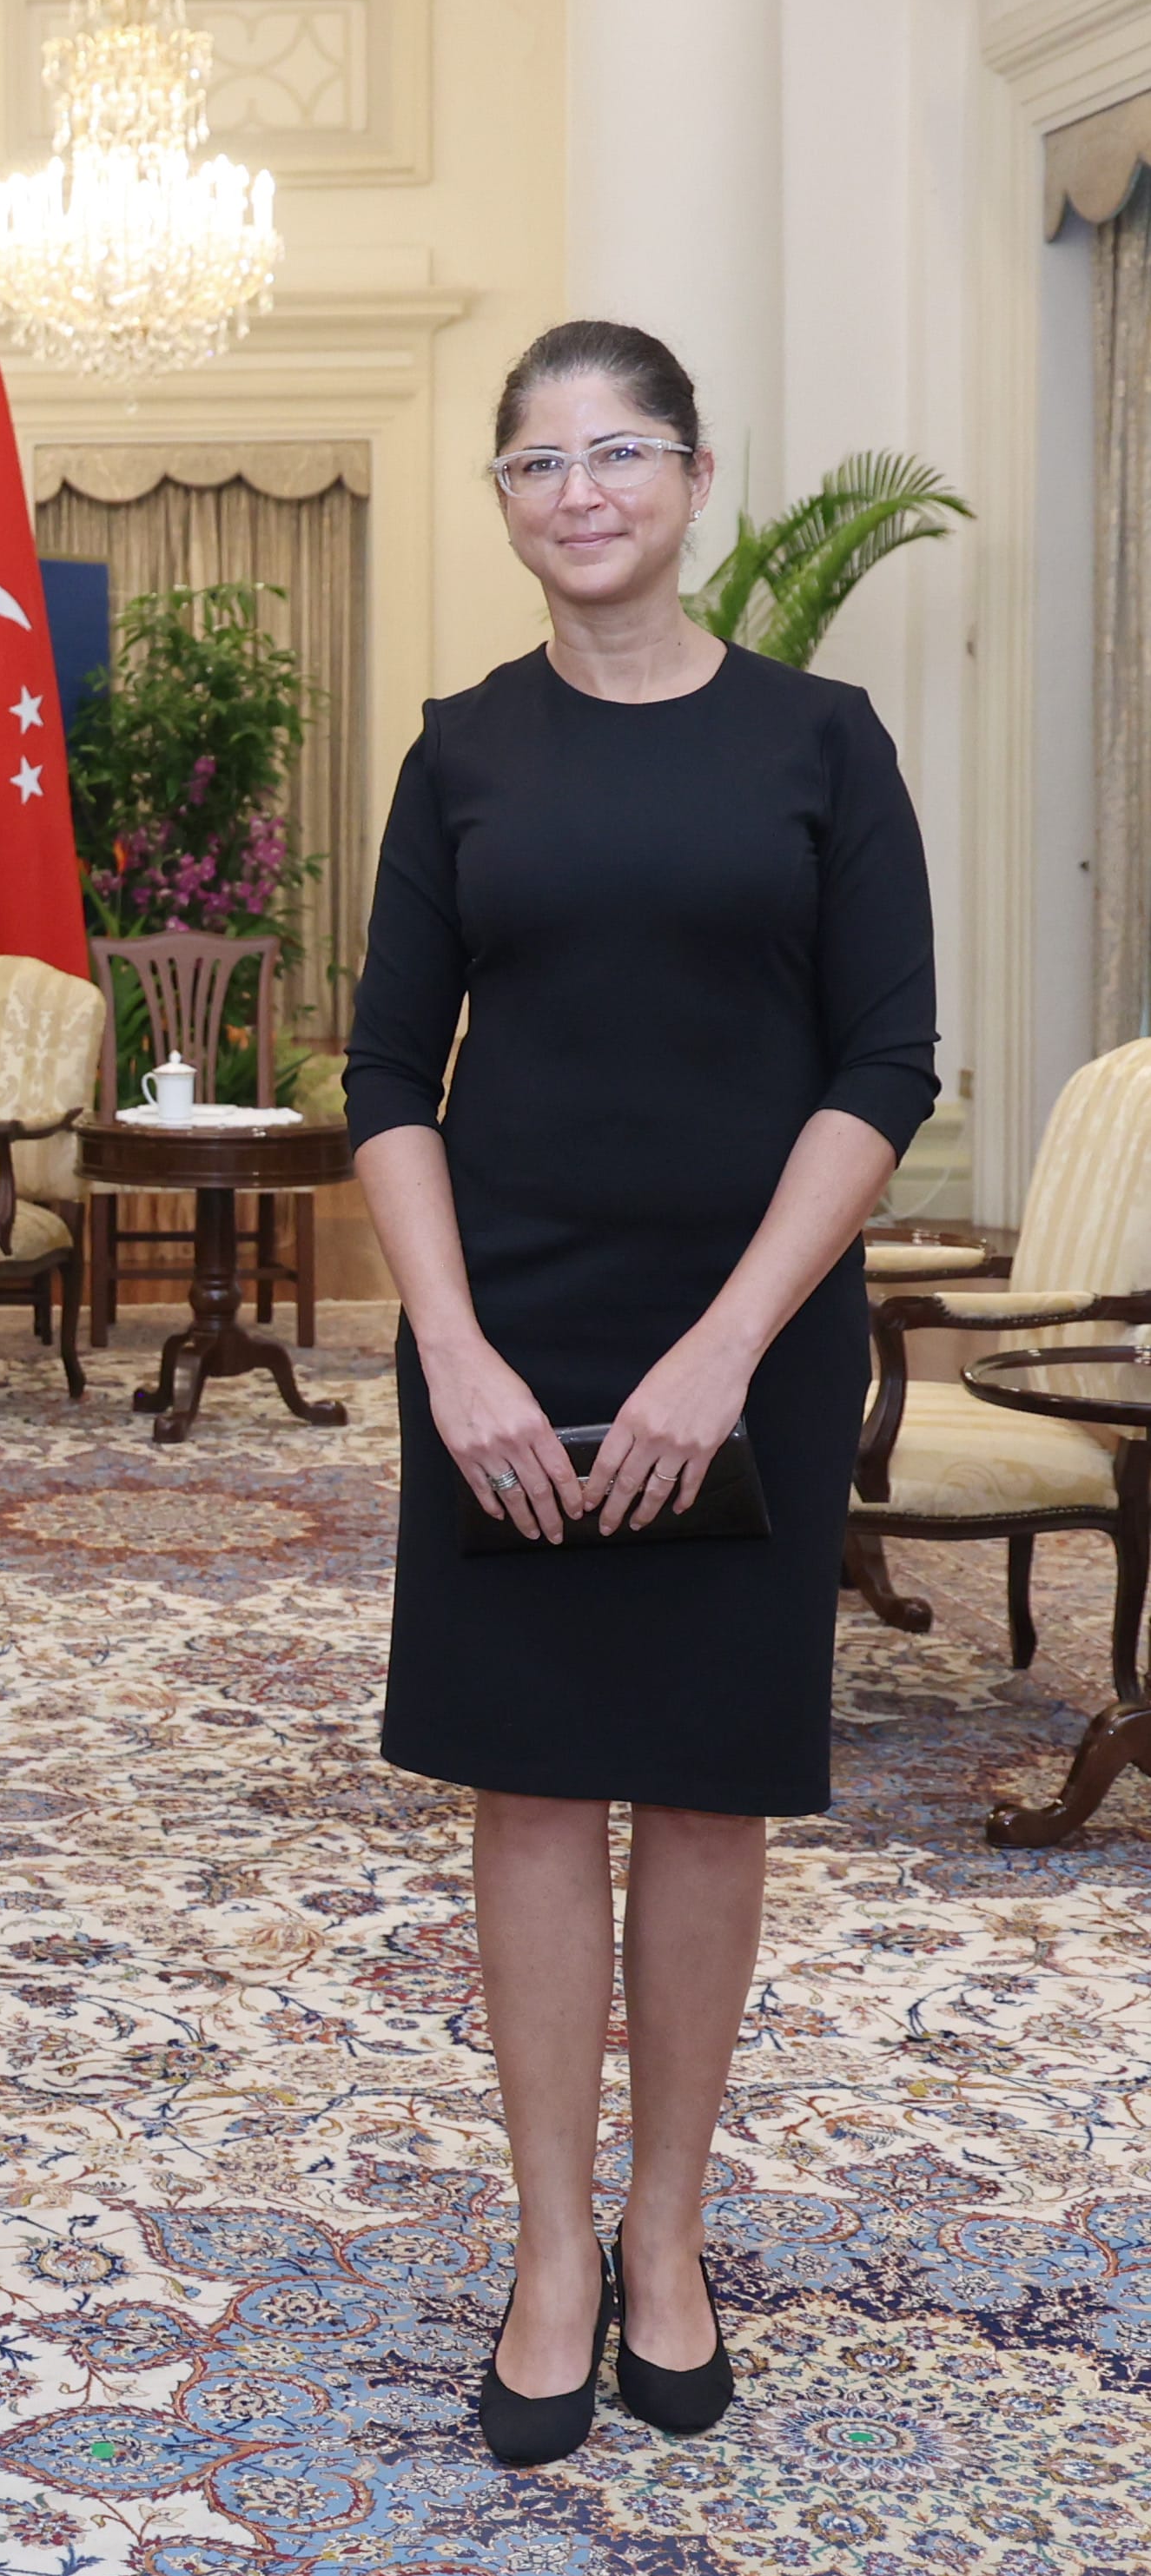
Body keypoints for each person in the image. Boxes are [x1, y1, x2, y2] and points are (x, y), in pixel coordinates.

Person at [341, 320, 937, 2467]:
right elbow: (387, 1079)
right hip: (507, 1339)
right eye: (535, 460)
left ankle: (667, 2234)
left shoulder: (821, 743)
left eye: (620, 451)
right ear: (499, 502)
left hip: (747, 1341)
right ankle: (547, 2253)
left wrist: (725, 1344)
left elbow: (886, 1067)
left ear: (690, 481)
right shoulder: (458, 755)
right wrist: (456, 1351)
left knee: (697, 1787)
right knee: (526, 1781)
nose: (578, 489)